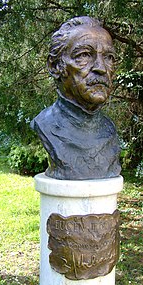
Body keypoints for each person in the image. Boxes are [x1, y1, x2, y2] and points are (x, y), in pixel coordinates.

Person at [31, 16, 121, 180]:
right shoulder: (45, 124)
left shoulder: (110, 129)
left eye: (109, 57)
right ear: (55, 66)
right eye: (84, 55)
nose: (101, 68)